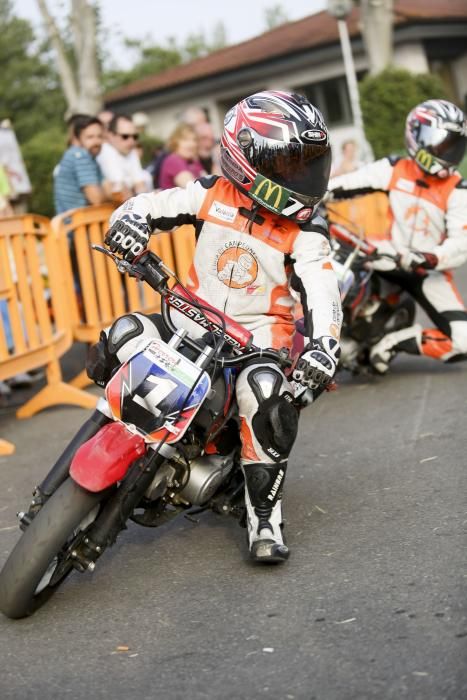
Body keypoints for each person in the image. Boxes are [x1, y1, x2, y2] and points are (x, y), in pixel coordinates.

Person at [100, 91, 342, 563]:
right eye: (289, 163)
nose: (302, 176)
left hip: (257, 344)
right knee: (123, 333)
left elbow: (323, 293)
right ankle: (105, 434)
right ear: (245, 155)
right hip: (185, 322)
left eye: (308, 164)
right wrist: (128, 224)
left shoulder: (308, 232)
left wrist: (323, 348)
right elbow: (144, 204)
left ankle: (264, 515)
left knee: (267, 393)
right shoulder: (208, 192)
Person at [328, 99, 467, 372]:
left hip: (428, 271)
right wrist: (311, 197)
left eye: (453, 144)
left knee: (463, 343)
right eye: (441, 142)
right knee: (331, 273)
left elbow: (461, 244)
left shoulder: (459, 189)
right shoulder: (394, 168)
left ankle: (398, 340)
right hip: (386, 256)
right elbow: (345, 183)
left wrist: (428, 257)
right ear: (417, 137)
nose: (447, 151)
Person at [54, 115, 109, 215]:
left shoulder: (90, 158)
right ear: (78, 139)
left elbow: (106, 187)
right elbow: (96, 199)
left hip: (82, 222)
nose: (96, 142)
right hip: (79, 225)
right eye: (90, 137)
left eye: (99, 136)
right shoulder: (80, 156)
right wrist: (110, 195)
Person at [97, 114, 149, 202]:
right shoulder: (105, 151)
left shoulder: (129, 151)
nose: (131, 141)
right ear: (110, 135)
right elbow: (121, 190)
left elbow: (140, 185)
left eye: (135, 136)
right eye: (125, 136)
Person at [158, 123, 205, 189]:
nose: (191, 144)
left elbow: (209, 181)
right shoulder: (173, 160)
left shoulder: (193, 161)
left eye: (194, 140)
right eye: (185, 140)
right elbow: (193, 188)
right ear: (175, 142)